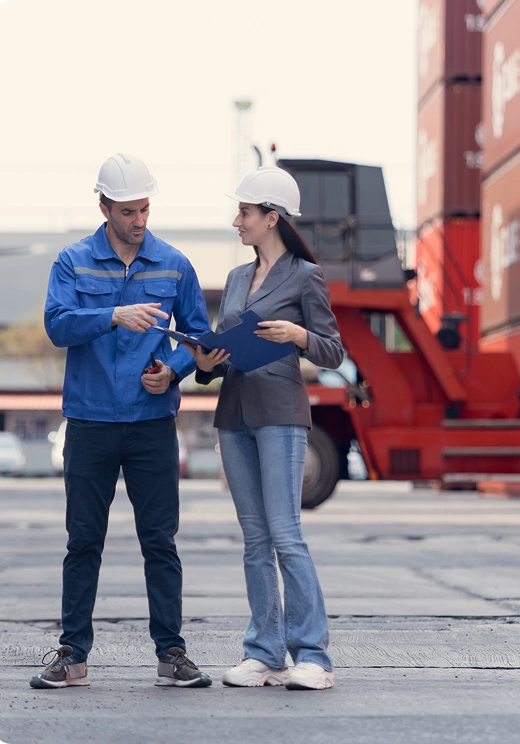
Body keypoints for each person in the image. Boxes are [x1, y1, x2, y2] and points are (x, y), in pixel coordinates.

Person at [31, 153, 212, 690]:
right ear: (105, 206)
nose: (140, 220)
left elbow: (198, 338)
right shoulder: (72, 262)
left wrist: (173, 371)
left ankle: (171, 653)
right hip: (89, 422)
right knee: (83, 540)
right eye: (129, 211)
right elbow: (58, 327)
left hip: (152, 423)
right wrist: (112, 314)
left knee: (160, 541)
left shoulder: (174, 264)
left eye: (145, 209)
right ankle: (73, 654)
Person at [191, 166, 344, 691]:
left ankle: (314, 656)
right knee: (255, 539)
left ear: (271, 217)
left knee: (286, 535)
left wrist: (299, 333)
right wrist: (205, 359)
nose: (237, 221)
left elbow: (332, 350)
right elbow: (218, 357)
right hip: (234, 413)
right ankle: (265, 651)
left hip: (280, 413)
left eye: (245, 213)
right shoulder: (236, 278)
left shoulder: (305, 275)